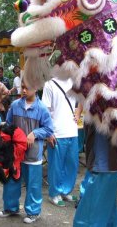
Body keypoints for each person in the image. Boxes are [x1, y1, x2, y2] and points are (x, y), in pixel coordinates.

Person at [0, 80, 53, 224]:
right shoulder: (15, 106)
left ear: (35, 88)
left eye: (27, 87)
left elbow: (49, 129)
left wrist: (35, 133)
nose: (23, 90)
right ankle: (10, 208)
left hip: (33, 154)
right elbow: (8, 125)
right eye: (22, 87)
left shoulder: (42, 109)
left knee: (33, 184)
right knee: (11, 181)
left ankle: (33, 212)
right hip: (15, 153)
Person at [73, 122, 117, 226]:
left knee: (88, 217)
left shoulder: (112, 110)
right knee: (108, 213)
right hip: (103, 165)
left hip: (104, 167)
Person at [42, 77, 79, 207]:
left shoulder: (74, 82)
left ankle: (66, 190)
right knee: (56, 166)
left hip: (72, 131)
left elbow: (83, 99)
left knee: (72, 164)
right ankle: (54, 194)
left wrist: (78, 113)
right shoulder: (49, 84)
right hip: (57, 132)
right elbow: (45, 110)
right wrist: (49, 132)